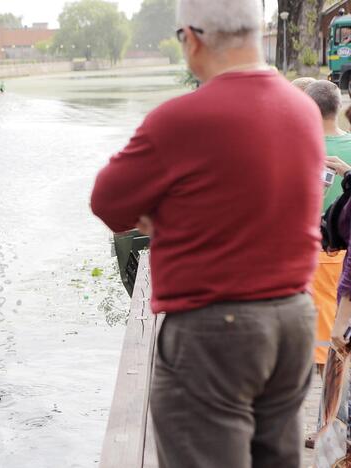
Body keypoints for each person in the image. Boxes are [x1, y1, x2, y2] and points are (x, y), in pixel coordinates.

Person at [90, 0, 324, 466]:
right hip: (293, 320)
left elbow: (109, 203)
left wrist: (160, 216)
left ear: (192, 38)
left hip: (215, 330)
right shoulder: (302, 110)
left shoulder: (180, 120)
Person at [304, 80, 351, 372]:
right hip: (346, 259)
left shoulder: (300, 148)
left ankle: (331, 413)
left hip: (317, 256)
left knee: (325, 348)